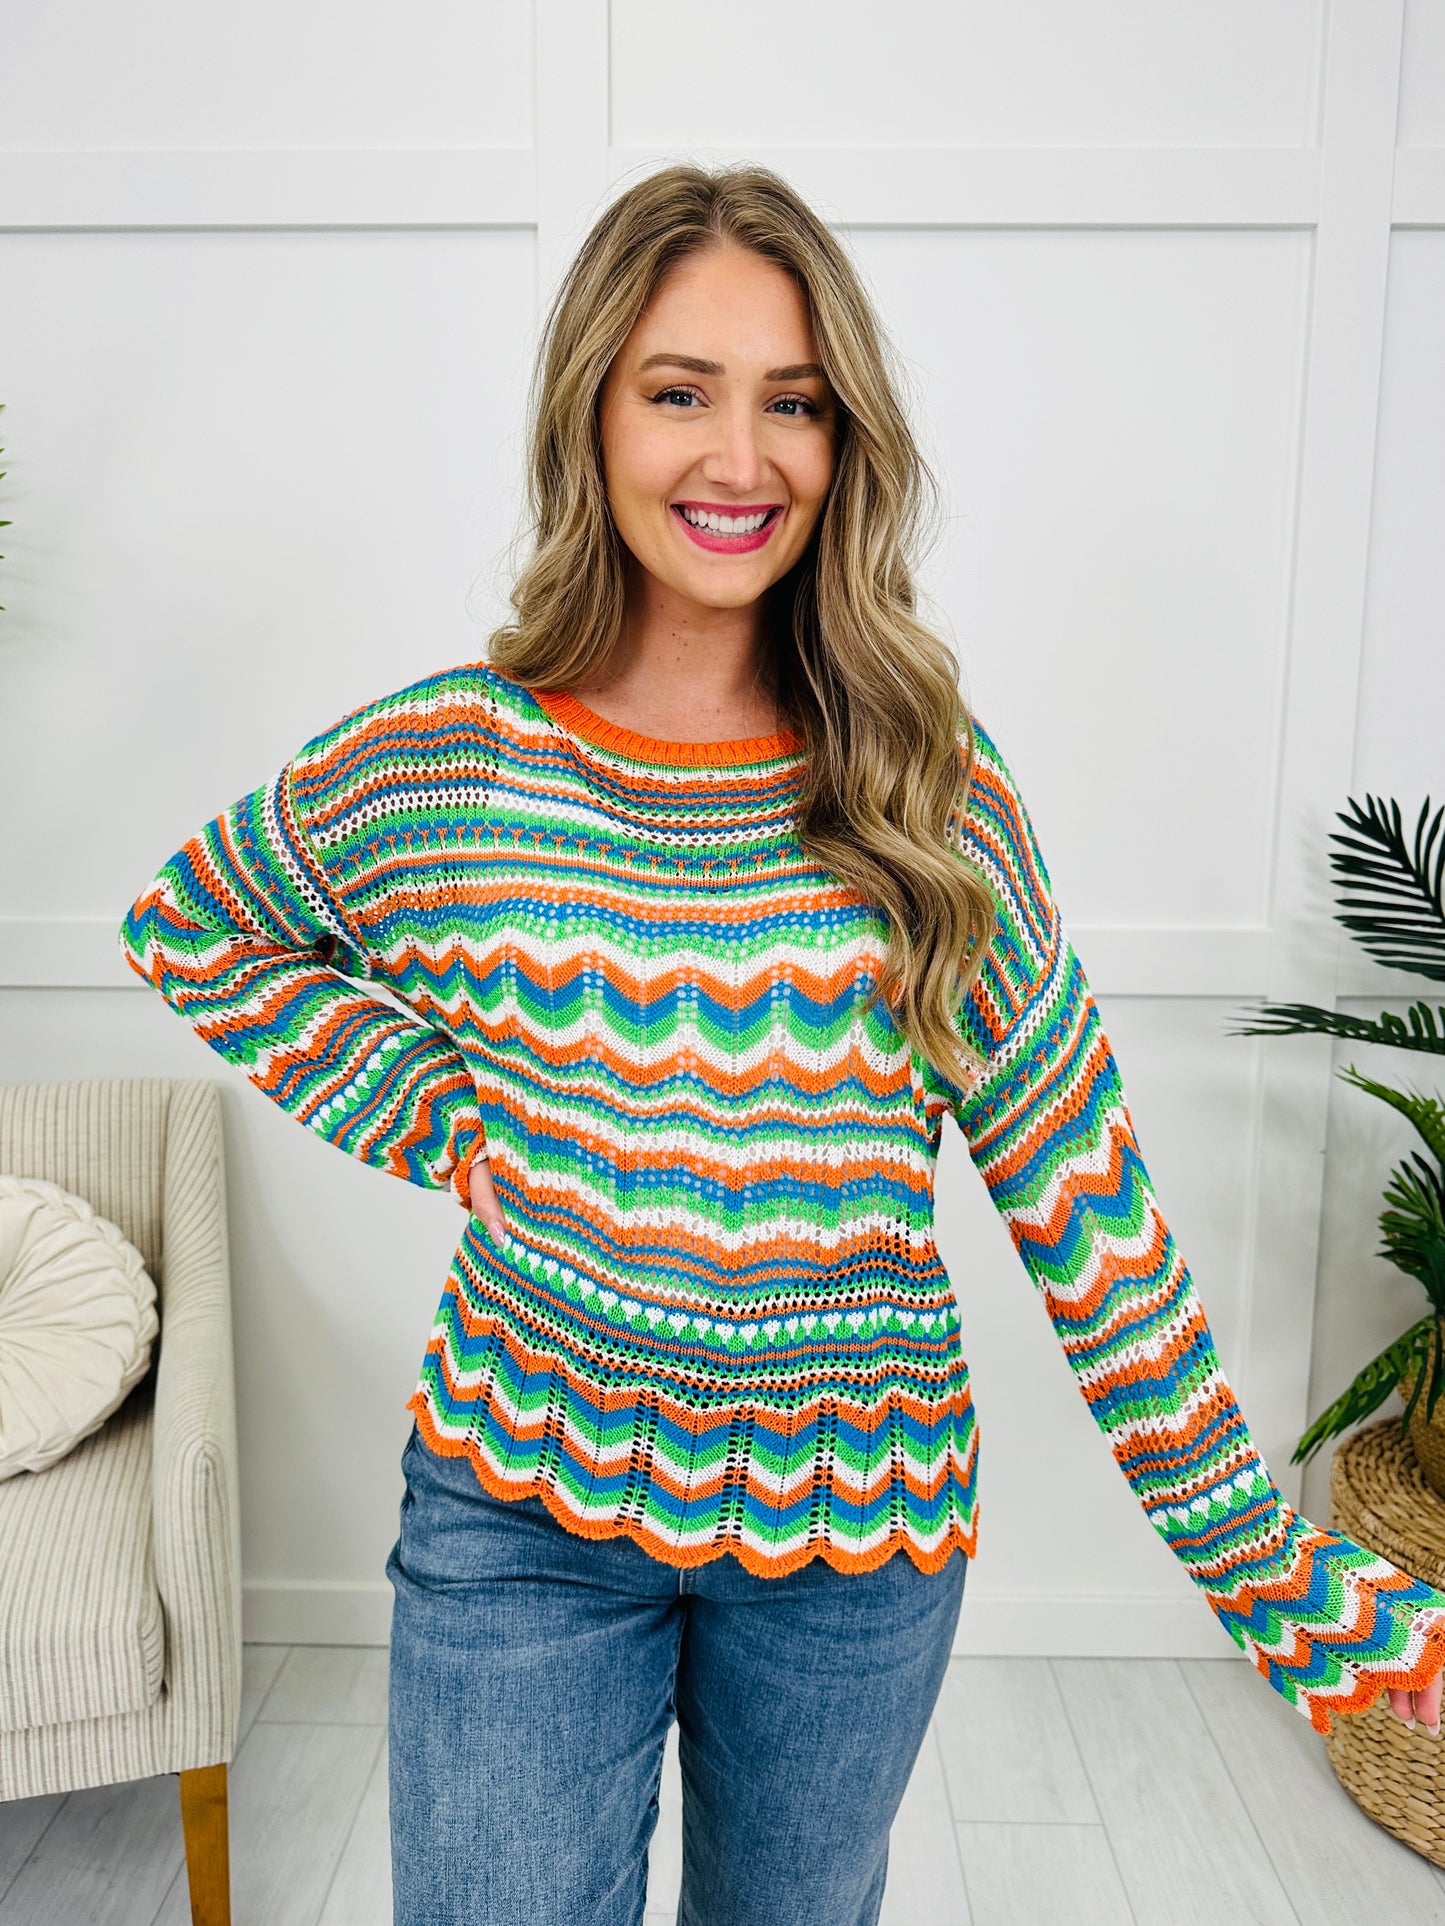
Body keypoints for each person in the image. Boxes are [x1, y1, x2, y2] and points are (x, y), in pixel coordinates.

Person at [120, 162, 1445, 1926]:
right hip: (520, 1509)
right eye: (680, 392)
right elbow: (194, 923)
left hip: (854, 1535)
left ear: (845, 441)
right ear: (591, 414)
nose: (739, 458)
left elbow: (1094, 1228)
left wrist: (1289, 1582)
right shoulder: (452, 762)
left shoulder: (924, 787)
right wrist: (445, 1112)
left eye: (794, 403)